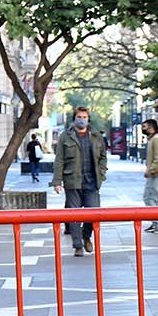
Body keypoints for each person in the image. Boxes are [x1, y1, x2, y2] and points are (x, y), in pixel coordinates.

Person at [51, 107, 108, 257]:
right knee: (74, 215)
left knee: (93, 212)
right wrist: (57, 181)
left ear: (88, 119)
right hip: (72, 181)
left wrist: (101, 172)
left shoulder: (96, 136)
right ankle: (77, 245)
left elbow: (103, 156)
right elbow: (59, 160)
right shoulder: (66, 136)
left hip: (92, 180)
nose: (81, 119)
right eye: (79, 116)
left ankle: (86, 235)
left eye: (84, 117)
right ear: (74, 119)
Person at [143, 119, 158, 233]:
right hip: (153, 174)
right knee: (148, 197)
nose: (143, 129)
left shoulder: (157, 139)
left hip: (157, 174)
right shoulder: (152, 139)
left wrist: (151, 170)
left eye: (145, 126)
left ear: (151, 127)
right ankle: (156, 222)